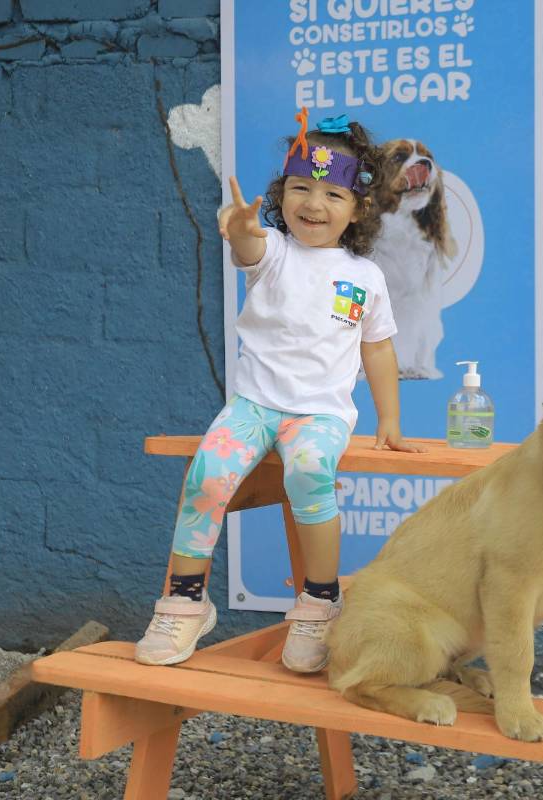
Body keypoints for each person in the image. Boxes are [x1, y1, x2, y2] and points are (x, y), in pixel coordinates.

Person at [135, 109, 424, 672]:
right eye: (300, 188)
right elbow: (248, 246)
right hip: (253, 407)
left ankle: (318, 604)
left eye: (332, 194)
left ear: (359, 208)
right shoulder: (275, 253)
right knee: (207, 474)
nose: (314, 205)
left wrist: (389, 422)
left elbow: (379, 349)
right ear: (281, 194)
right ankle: (185, 603)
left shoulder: (365, 277)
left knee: (310, 474)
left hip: (320, 415)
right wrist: (241, 228)